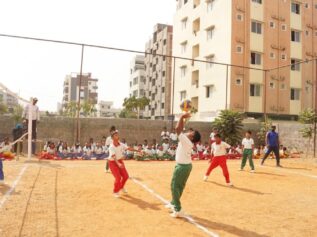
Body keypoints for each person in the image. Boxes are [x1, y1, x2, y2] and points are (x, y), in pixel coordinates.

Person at [165, 113, 201, 218]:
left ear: (192, 136)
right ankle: (173, 203)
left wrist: (181, 117)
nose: (189, 131)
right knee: (178, 186)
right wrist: (182, 118)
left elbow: (177, 129)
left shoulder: (186, 140)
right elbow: (180, 128)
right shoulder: (187, 139)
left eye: (191, 132)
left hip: (182, 167)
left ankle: (178, 209)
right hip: (185, 166)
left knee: (174, 186)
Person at [108, 129, 134, 198]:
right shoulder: (111, 147)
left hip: (119, 161)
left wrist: (138, 150)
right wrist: (118, 164)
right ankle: (115, 191)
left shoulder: (121, 144)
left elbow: (128, 148)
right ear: (113, 138)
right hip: (113, 162)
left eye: (117, 135)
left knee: (126, 176)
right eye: (116, 135)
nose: (117, 136)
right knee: (118, 177)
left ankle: (121, 187)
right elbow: (113, 156)